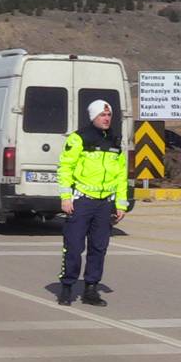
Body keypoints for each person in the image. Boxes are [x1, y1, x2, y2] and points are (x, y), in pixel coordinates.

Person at [56, 99, 128, 307]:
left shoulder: (115, 141)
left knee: (99, 247)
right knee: (74, 246)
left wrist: (121, 204)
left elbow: (121, 175)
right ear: (93, 117)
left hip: (104, 204)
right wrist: (65, 197)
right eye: (102, 115)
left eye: (108, 115)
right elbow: (65, 168)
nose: (106, 119)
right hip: (82, 201)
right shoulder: (78, 139)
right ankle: (67, 287)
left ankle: (91, 289)